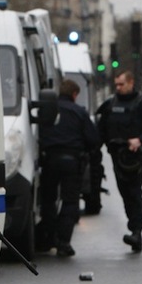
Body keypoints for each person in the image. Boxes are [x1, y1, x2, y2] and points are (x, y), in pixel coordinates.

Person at [96, 70, 142, 253]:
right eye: (116, 84)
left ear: (131, 83)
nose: (118, 88)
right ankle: (134, 227)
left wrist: (140, 140)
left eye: (121, 84)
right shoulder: (111, 104)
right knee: (125, 193)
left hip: (134, 157)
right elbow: (101, 130)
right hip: (117, 156)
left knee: (134, 193)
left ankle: (136, 231)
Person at [35, 79, 100, 257]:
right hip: (72, 160)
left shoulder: (48, 110)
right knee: (70, 201)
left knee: (48, 201)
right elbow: (93, 139)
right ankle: (64, 242)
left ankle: (48, 237)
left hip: (49, 159)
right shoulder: (79, 112)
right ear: (74, 94)